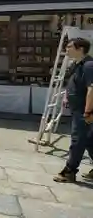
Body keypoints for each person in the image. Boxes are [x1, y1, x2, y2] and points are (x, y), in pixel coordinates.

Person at [53, 37, 93, 183]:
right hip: (78, 108)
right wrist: (66, 96)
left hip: (84, 111)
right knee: (89, 140)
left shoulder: (89, 65)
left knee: (77, 140)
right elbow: (73, 83)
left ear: (80, 49)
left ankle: (69, 171)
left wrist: (88, 112)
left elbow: (91, 89)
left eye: (70, 47)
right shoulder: (77, 65)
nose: (66, 50)